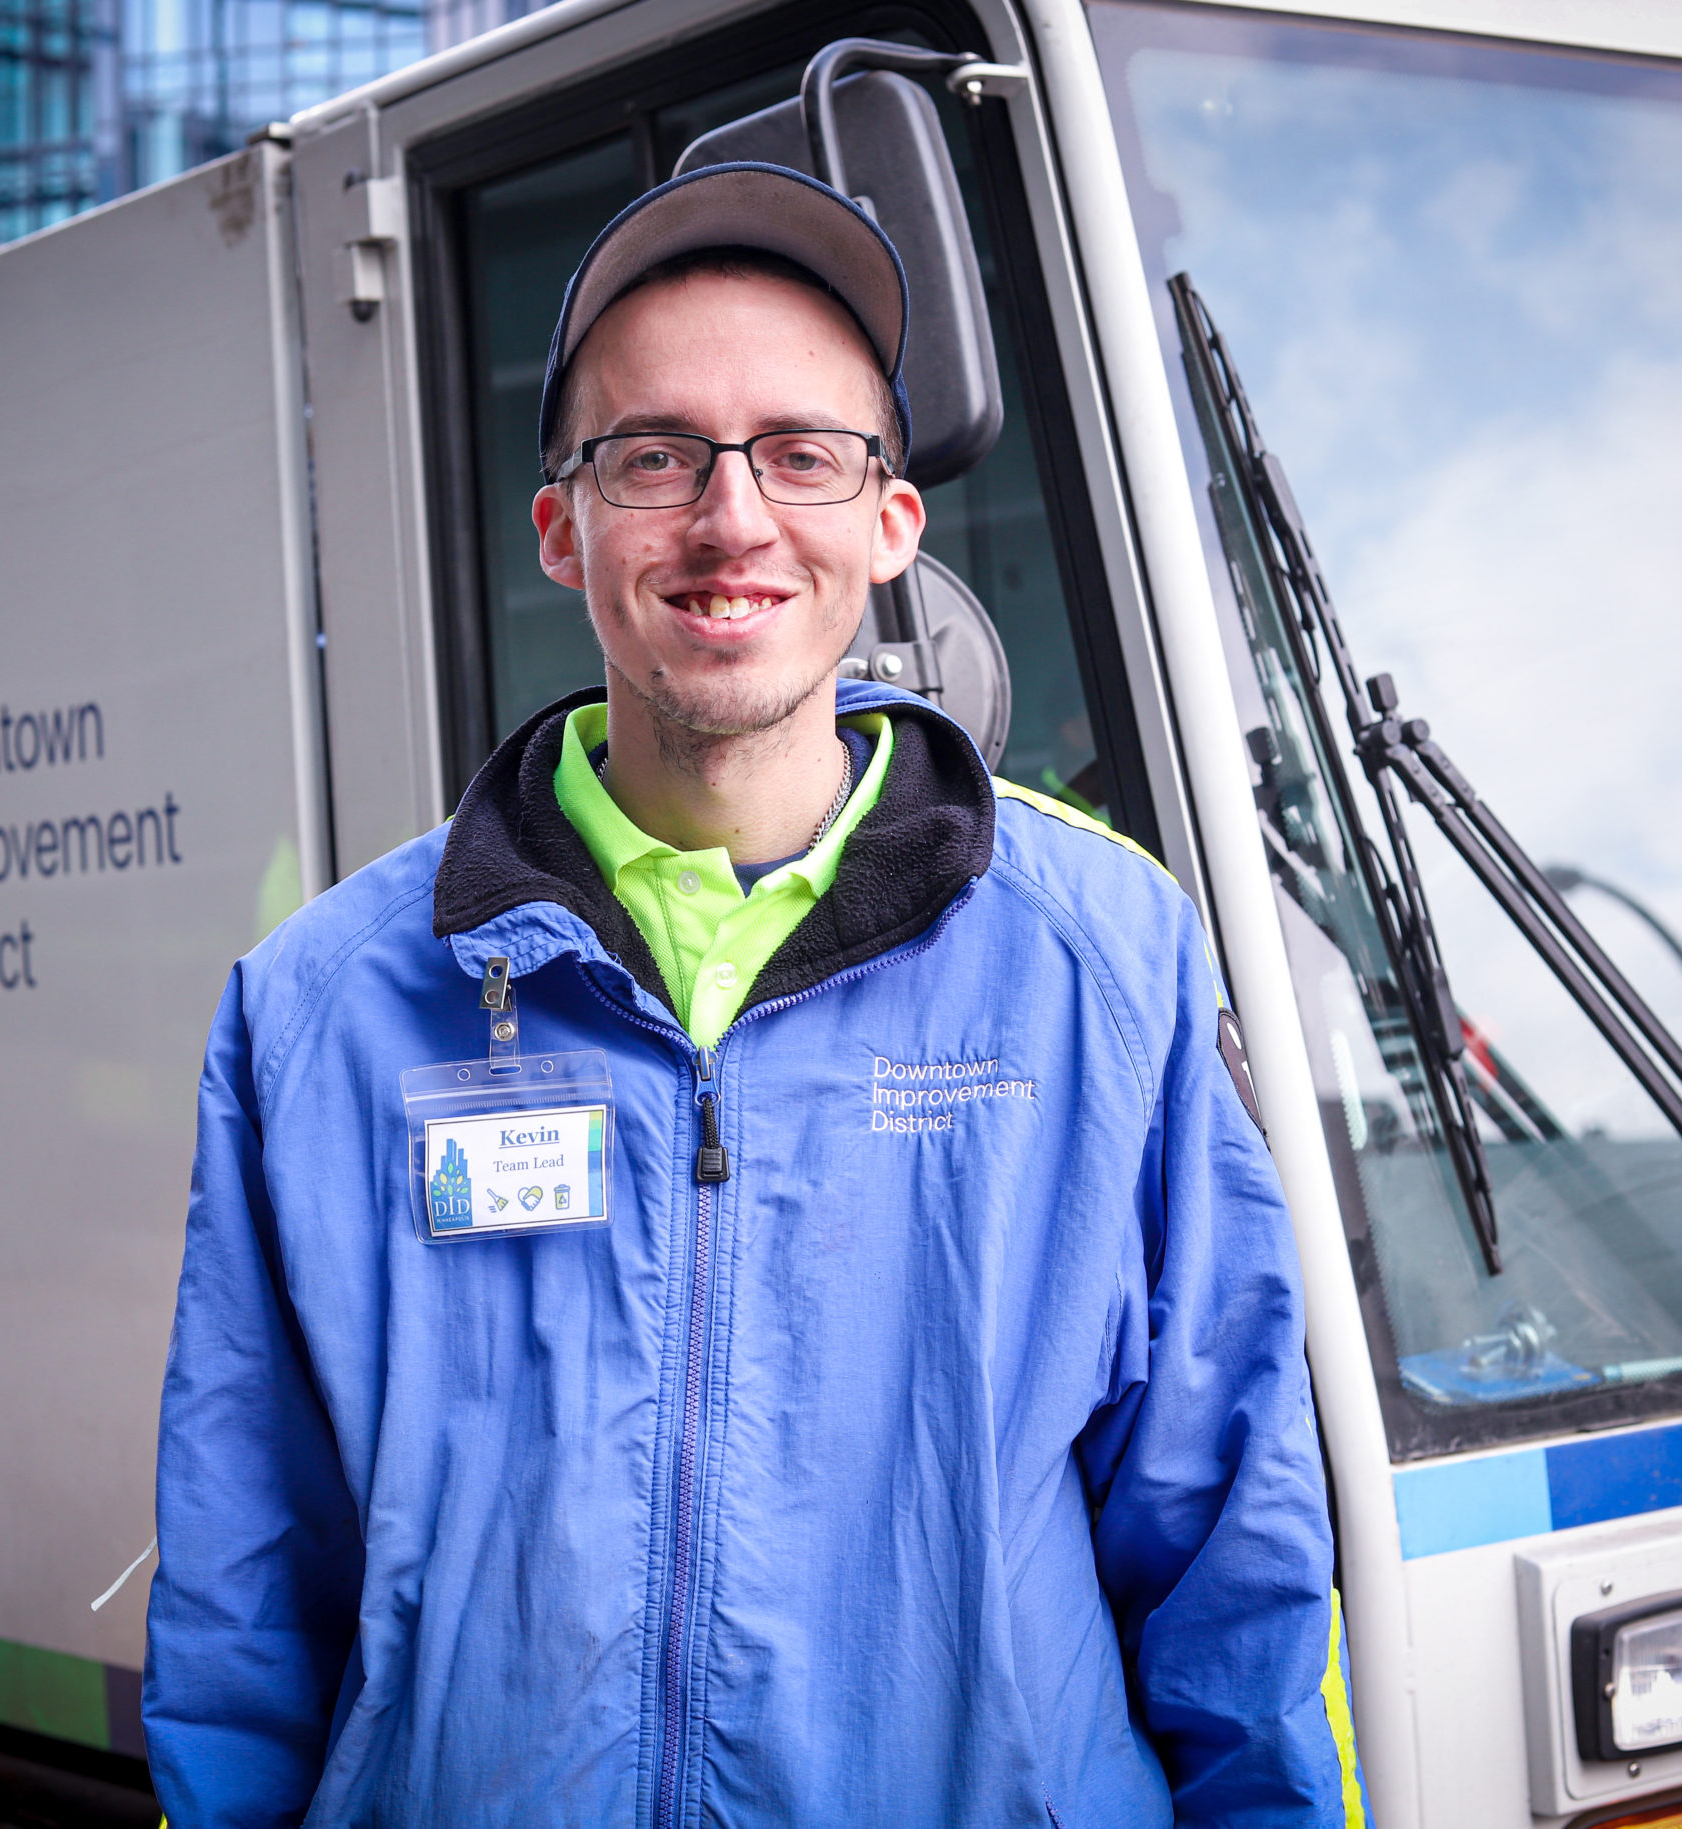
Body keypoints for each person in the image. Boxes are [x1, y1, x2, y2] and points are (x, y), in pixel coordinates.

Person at [145, 160, 1365, 1827]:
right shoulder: (324, 1010)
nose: (733, 520)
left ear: (890, 523)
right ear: (564, 527)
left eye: (802, 452)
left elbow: (1234, 1543)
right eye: (657, 455)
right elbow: (244, 1595)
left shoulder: (1104, 963)